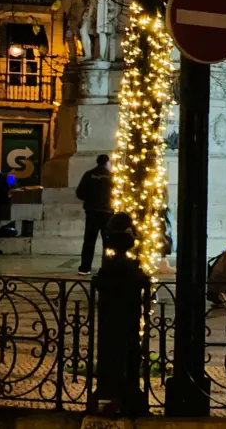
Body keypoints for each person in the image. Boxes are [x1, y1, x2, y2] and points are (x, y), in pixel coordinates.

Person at [93, 213, 148, 415]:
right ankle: (125, 394)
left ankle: (111, 393)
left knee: (116, 350)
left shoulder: (111, 269)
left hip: (115, 321)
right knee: (127, 350)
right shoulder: (129, 269)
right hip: (126, 320)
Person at [76, 154, 114, 275]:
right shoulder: (112, 176)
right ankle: (107, 267)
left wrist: (90, 200)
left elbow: (79, 192)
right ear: (107, 163)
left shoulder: (89, 174)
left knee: (89, 240)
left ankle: (85, 267)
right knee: (107, 241)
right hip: (107, 212)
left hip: (92, 211)